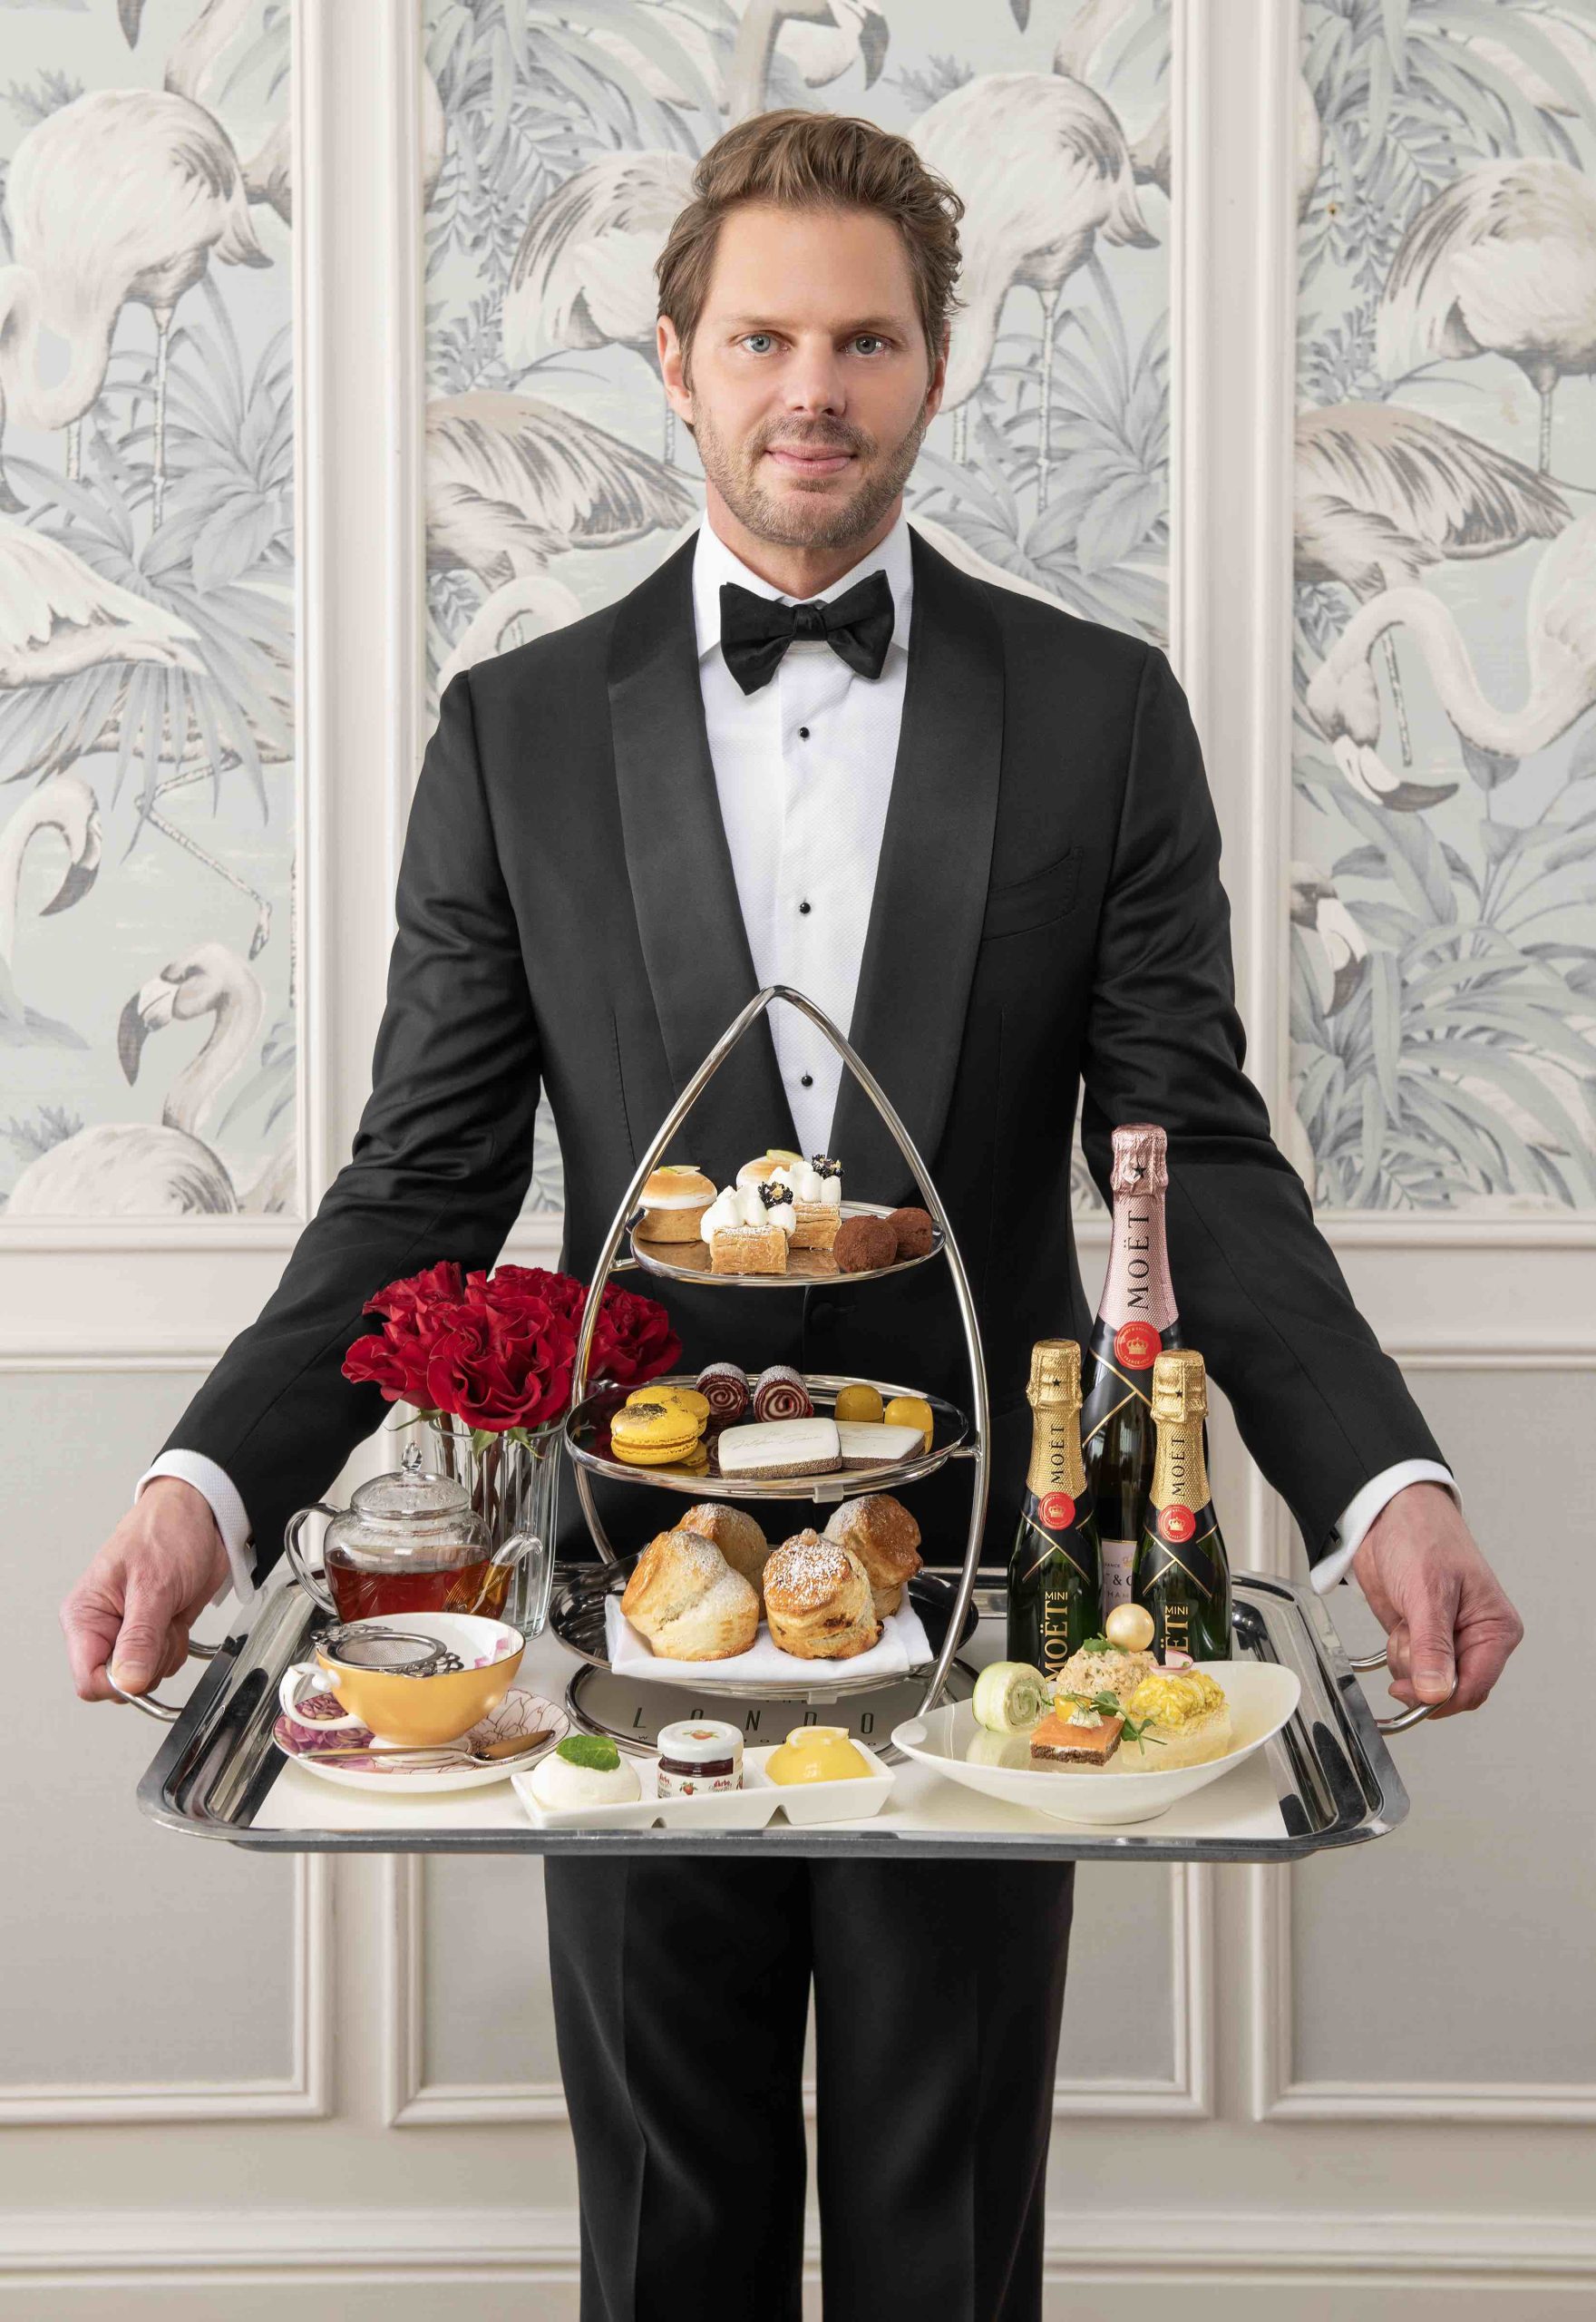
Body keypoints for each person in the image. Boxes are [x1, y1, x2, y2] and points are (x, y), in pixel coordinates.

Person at [61, 111, 1523, 2322]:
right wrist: (203, 1487)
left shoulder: (1103, 716)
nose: (809, 389)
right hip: (628, 1598)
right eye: (760, 338)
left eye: (862, 340)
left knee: (949, 2226)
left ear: (934, 363)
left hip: (993, 1590)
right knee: (674, 2233)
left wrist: (1381, 1486)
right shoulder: (514, 734)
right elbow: (421, 1185)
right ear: (673, 360)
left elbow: (1192, 1155)